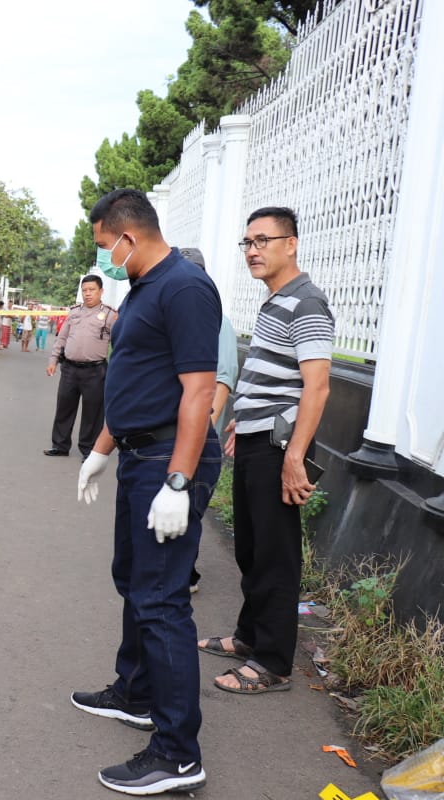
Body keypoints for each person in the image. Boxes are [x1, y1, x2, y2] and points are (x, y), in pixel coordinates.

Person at [69, 188, 221, 795]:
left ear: (129, 236)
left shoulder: (184, 287)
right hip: (139, 453)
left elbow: (198, 390)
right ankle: (135, 692)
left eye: (107, 246)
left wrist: (179, 481)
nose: (104, 259)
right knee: (133, 579)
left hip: (167, 458)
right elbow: (133, 379)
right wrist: (101, 451)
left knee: (162, 600)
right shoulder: (143, 289)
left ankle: (179, 754)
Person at [198, 207, 333, 695]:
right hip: (258, 436)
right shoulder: (275, 301)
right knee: (252, 547)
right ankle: (251, 637)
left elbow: (316, 387)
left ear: (291, 244)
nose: (252, 250)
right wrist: (244, 414)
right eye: (247, 243)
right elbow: (273, 376)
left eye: (263, 240)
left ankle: (273, 662)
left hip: (281, 447)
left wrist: (295, 457)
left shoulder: (307, 303)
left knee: (275, 554)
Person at [179, 247, 241, 594]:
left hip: (200, 437)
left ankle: (184, 574)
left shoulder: (219, 323)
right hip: (172, 434)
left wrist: (203, 429)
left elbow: (222, 381)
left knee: (189, 509)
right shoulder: (180, 317)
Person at [44, 275, 116, 457]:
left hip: (95, 371)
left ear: (101, 291)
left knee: (93, 413)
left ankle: (89, 450)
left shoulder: (109, 315)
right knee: (64, 407)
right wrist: (53, 360)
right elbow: (62, 338)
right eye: (84, 290)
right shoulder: (74, 312)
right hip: (70, 369)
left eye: (92, 290)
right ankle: (60, 446)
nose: (88, 294)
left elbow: (119, 342)